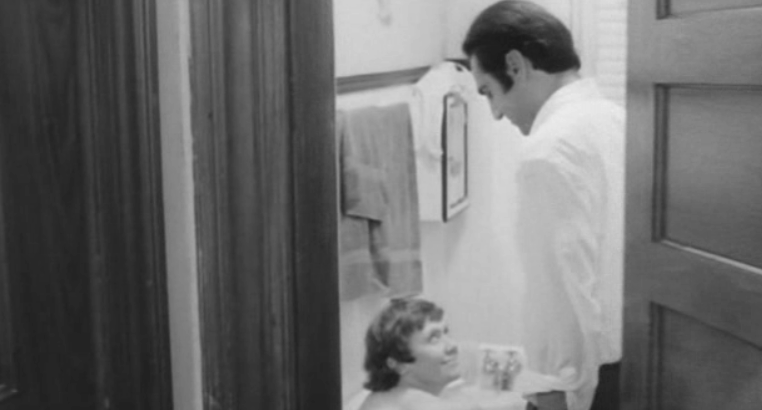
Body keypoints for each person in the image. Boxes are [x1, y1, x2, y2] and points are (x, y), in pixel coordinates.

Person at [461, 2, 625, 410]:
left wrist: (557, 391)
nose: (495, 113)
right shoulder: (618, 120)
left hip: (584, 382)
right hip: (632, 360)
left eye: (489, 92)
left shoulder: (546, 152)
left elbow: (562, 300)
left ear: (515, 66)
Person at [358, 298, 480, 410]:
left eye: (445, 332)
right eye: (433, 338)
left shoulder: (383, 398)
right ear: (399, 364)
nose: (452, 345)